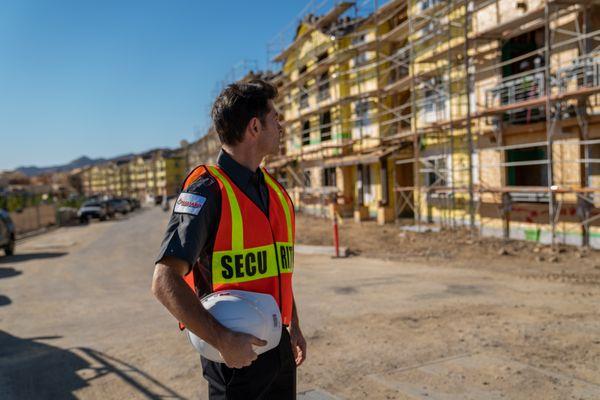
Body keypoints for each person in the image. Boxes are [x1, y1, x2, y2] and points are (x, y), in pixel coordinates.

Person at [152, 79, 306, 400]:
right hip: (234, 359)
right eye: (274, 117)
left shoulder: (274, 190)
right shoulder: (206, 190)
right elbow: (164, 281)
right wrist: (222, 339)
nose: (281, 123)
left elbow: (278, 270)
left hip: (279, 349)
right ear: (254, 126)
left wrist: (295, 326)